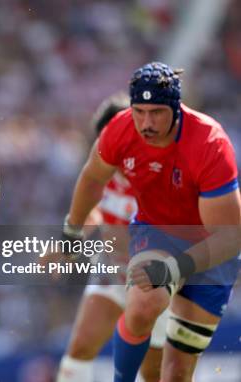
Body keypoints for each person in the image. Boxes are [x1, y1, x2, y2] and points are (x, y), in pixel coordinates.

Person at [61, 62, 240, 381]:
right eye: (139, 111)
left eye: (156, 112)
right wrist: (71, 231)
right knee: (144, 303)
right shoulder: (120, 129)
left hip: (210, 252)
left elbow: (229, 237)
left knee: (175, 373)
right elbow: (90, 179)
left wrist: (174, 269)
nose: (146, 123)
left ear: (176, 108)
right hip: (155, 235)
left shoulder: (210, 144)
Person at [57, 93, 167, 382]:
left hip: (153, 283)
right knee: (79, 349)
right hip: (113, 272)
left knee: (153, 372)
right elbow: (96, 208)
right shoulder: (100, 172)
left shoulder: (158, 174)